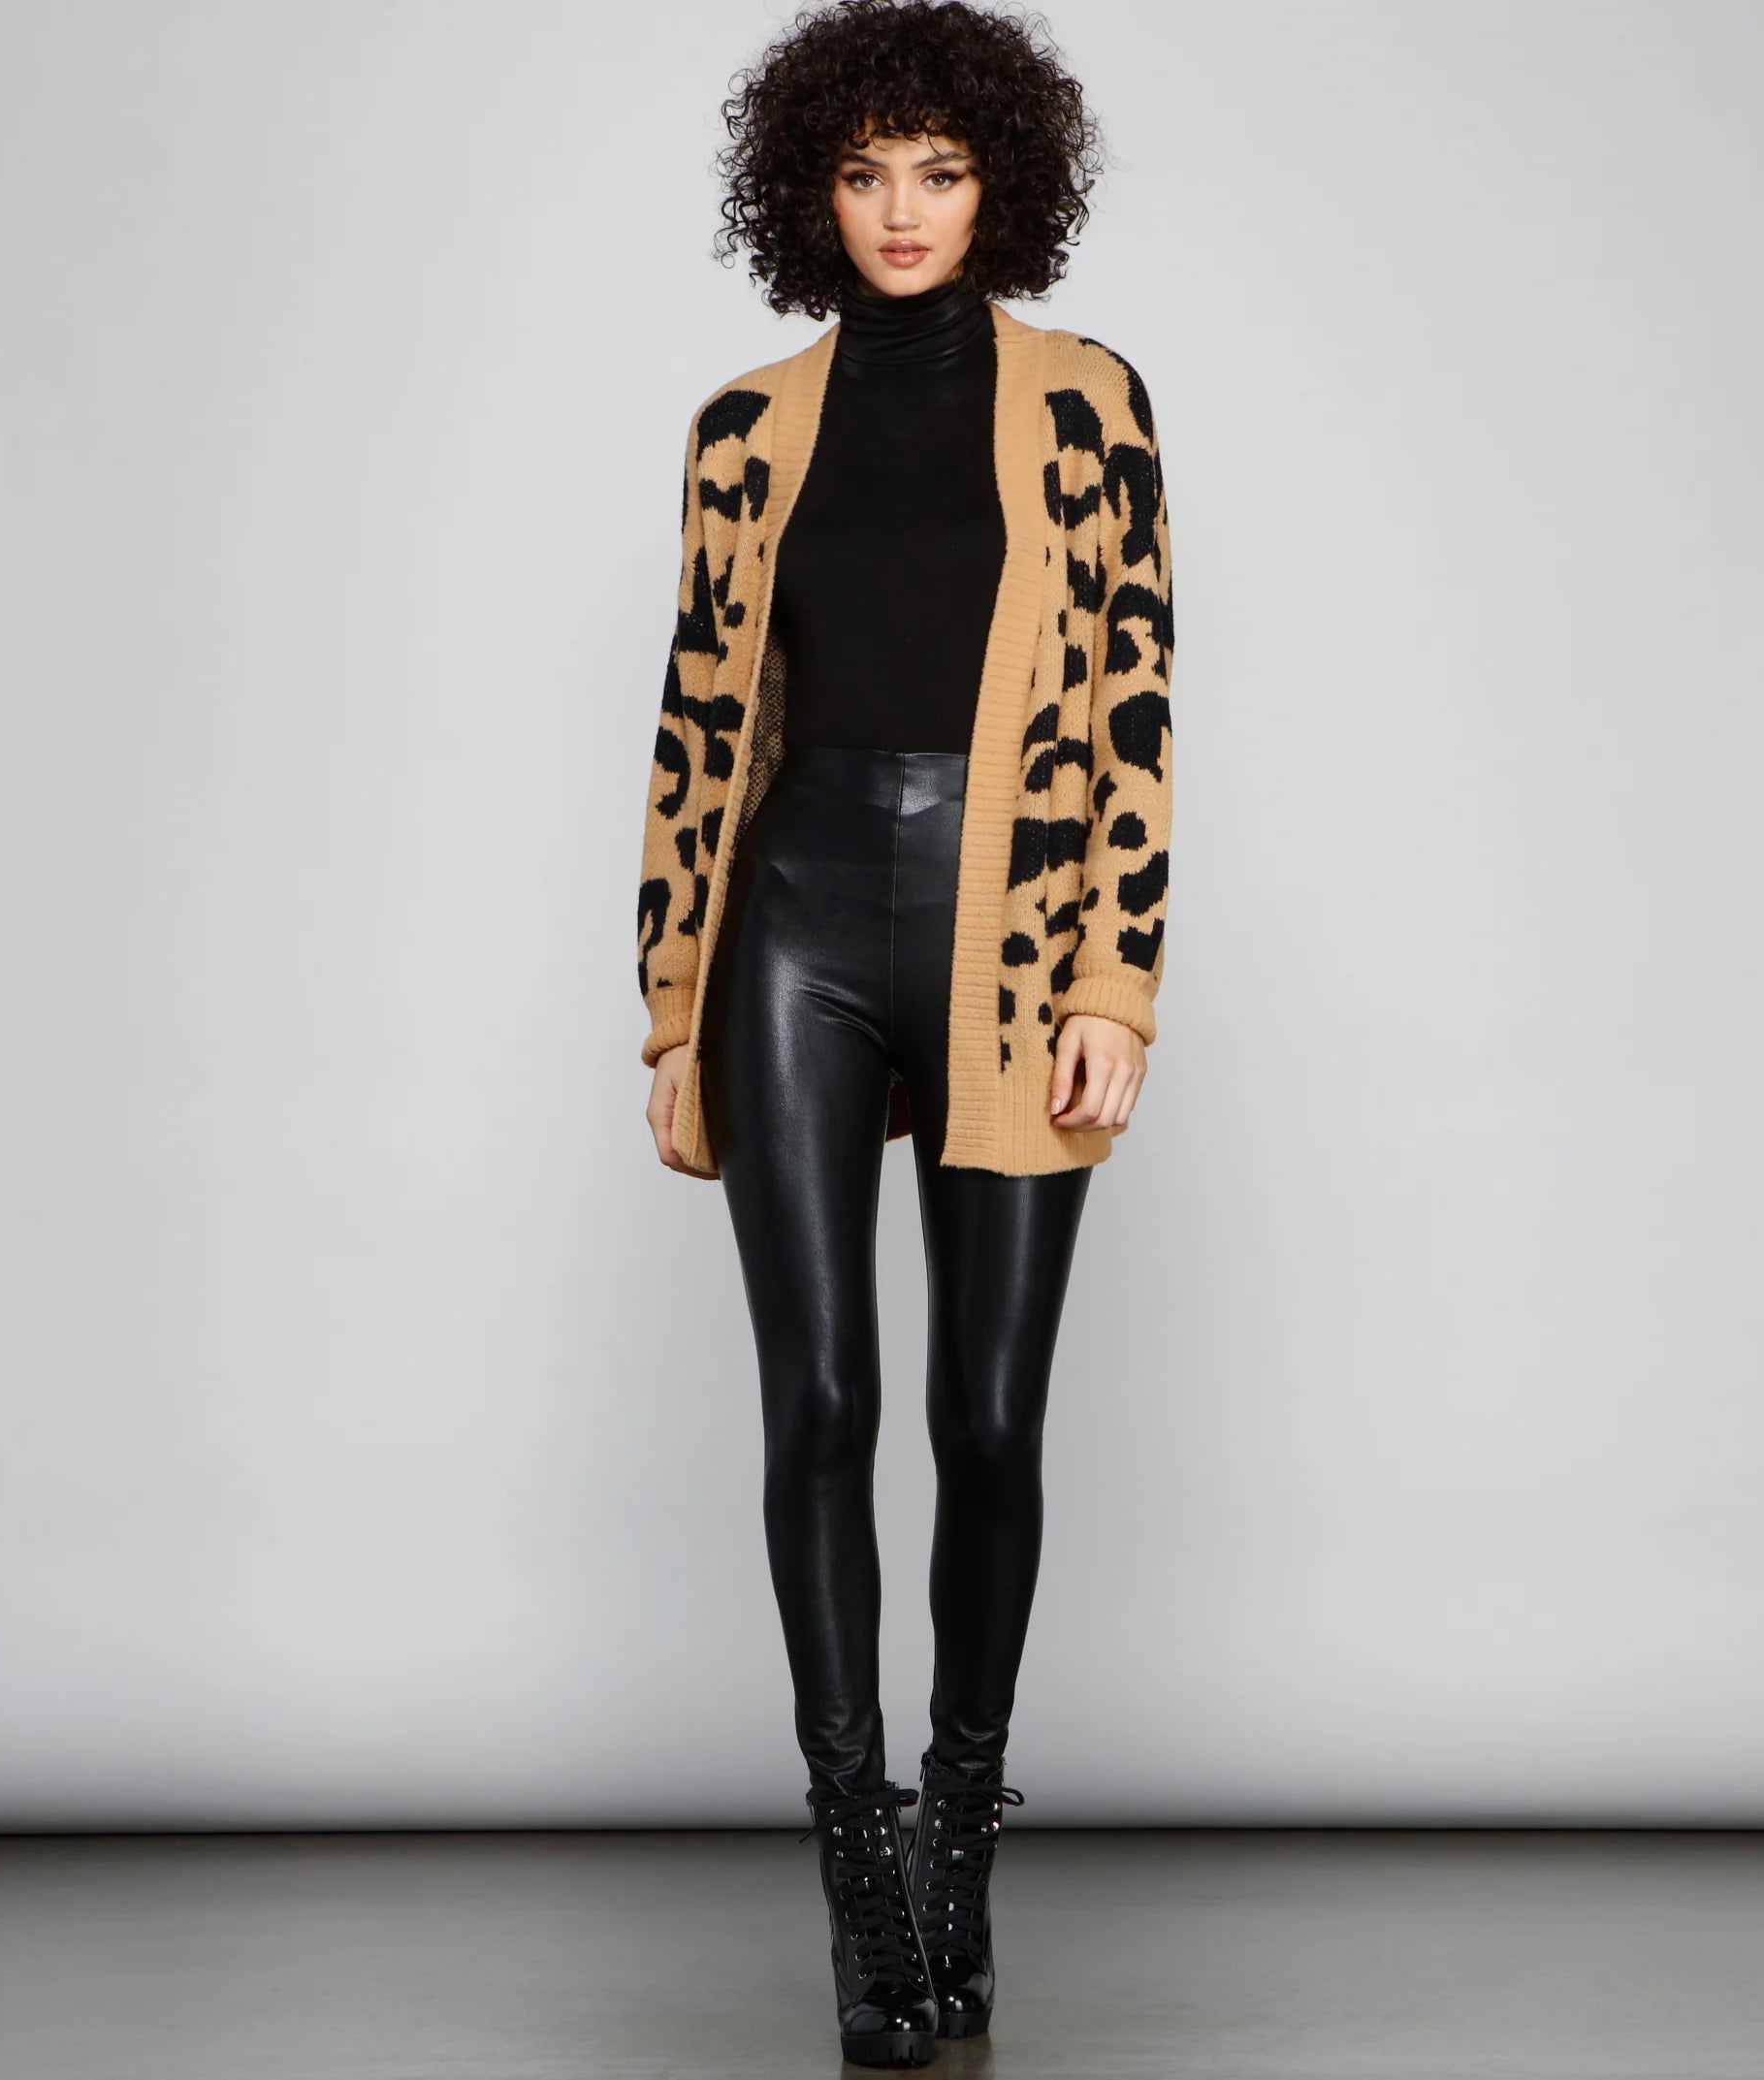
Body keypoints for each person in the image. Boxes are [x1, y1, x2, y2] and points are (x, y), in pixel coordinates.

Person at [630, 0, 1174, 2064]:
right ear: (809, 193)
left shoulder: (1089, 399)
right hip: (790, 923)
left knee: (990, 1417)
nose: (901, 209)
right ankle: (859, 1874)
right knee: (821, 1401)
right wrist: (670, 1010)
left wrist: (1114, 982)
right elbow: (701, 727)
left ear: (999, 180)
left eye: (937, 170)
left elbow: (1136, 701)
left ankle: (960, 1836)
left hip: (1011, 929)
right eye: (862, 173)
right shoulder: (742, 428)